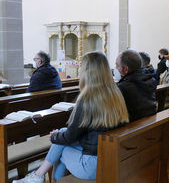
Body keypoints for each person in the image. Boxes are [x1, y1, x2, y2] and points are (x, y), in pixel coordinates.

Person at [14, 51, 129, 182]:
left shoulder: (88, 99)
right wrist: (60, 135)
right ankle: (39, 177)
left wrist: (54, 137)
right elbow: (86, 132)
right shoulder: (116, 93)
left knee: (60, 147)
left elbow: (71, 136)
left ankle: (40, 177)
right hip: (109, 156)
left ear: (87, 72)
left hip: (91, 166)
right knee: (61, 137)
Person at [116, 49, 157, 122]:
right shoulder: (150, 79)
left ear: (126, 69)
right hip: (150, 122)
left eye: (117, 65)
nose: (116, 68)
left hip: (134, 127)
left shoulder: (123, 87)